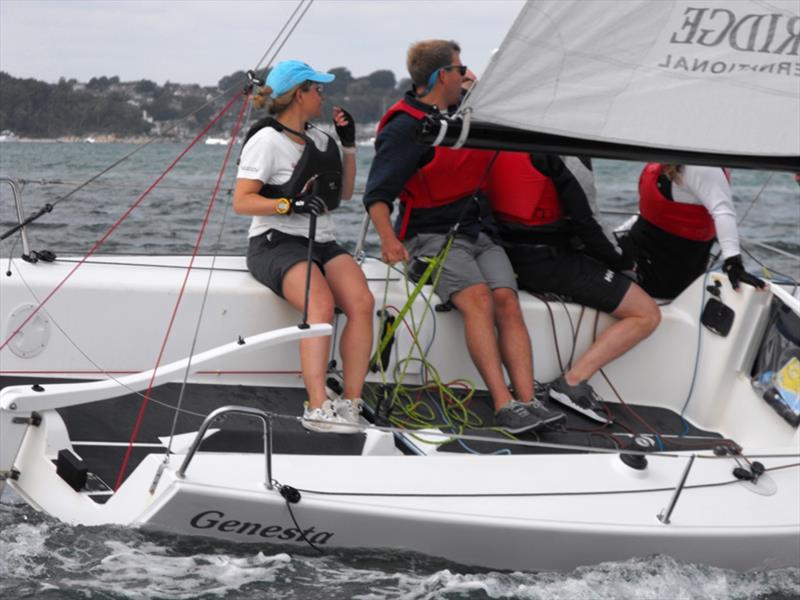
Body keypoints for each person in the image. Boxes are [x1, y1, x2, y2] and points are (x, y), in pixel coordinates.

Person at [363, 39, 564, 434]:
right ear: (442, 76)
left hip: (477, 231)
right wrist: (389, 242)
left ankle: (528, 399)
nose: (463, 74)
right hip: (431, 237)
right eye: (459, 69)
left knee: (507, 301)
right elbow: (376, 197)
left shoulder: (463, 114)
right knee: (477, 299)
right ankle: (504, 404)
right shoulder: (406, 127)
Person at [233, 60, 374, 433]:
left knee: (362, 302)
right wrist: (288, 204)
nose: (323, 97)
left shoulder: (320, 139)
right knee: (321, 303)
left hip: (320, 240)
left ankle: (351, 401)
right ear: (300, 94)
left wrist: (347, 147)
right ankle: (316, 404)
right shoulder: (267, 141)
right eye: (318, 90)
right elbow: (242, 201)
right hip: (274, 241)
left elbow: (341, 194)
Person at [485, 152, 662, 421]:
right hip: (547, 262)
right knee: (646, 313)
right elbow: (587, 222)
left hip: (502, 253)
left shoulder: (495, 141)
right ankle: (572, 383)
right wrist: (624, 261)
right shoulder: (564, 151)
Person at [619, 163, 766, 300]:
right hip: (639, 254)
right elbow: (653, 209)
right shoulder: (666, 159)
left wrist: (733, 264)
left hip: (664, 270)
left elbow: (722, 211)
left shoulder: (700, 167)